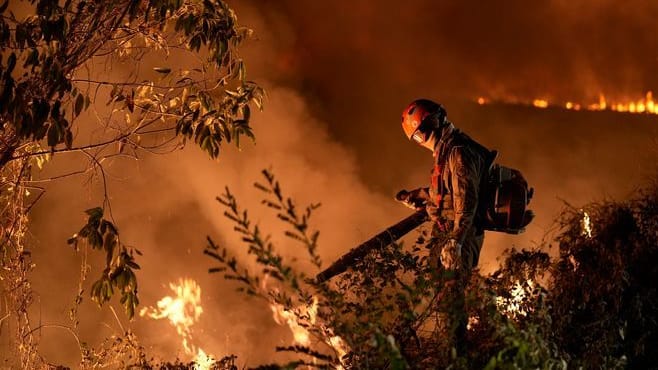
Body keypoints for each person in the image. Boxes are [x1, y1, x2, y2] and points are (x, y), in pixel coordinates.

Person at [399, 98, 496, 355]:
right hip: (449, 233)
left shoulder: (458, 151)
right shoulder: (446, 150)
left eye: (425, 130)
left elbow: (467, 200)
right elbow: (446, 194)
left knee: (451, 296)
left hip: (460, 236)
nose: (426, 137)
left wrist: (456, 240)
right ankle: (453, 352)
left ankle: (458, 357)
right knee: (444, 295)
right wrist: (419, 197)